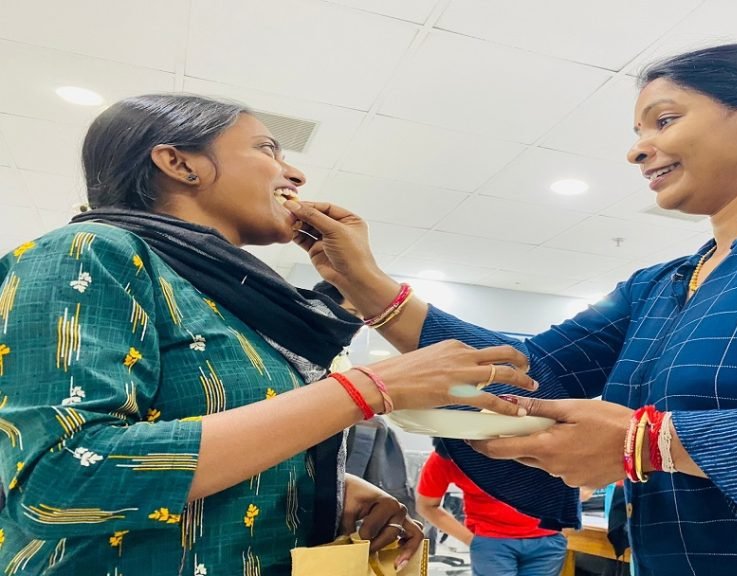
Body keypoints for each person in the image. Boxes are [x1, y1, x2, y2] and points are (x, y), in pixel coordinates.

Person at [283, 43, 737, 575]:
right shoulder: (663, 283)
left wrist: (655, 444)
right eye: (638, 132)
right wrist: (369, 286)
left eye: (663, 120)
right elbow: (526, 371)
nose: (639, 150)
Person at [0, 94, 535, 575]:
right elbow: (59, 480)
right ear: (179, 163)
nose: (294, 173)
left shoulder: (230, 301)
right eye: (267, 149)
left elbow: (213, 439)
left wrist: (324, 488)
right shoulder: (88, 251)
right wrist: (370, 388)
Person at [416, 438, 566, 576]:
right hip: (492, 543)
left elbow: (574, 480)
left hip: (547, 541)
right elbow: (427, 506)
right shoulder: (449, 454)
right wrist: (470, 540)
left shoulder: (542, 444)